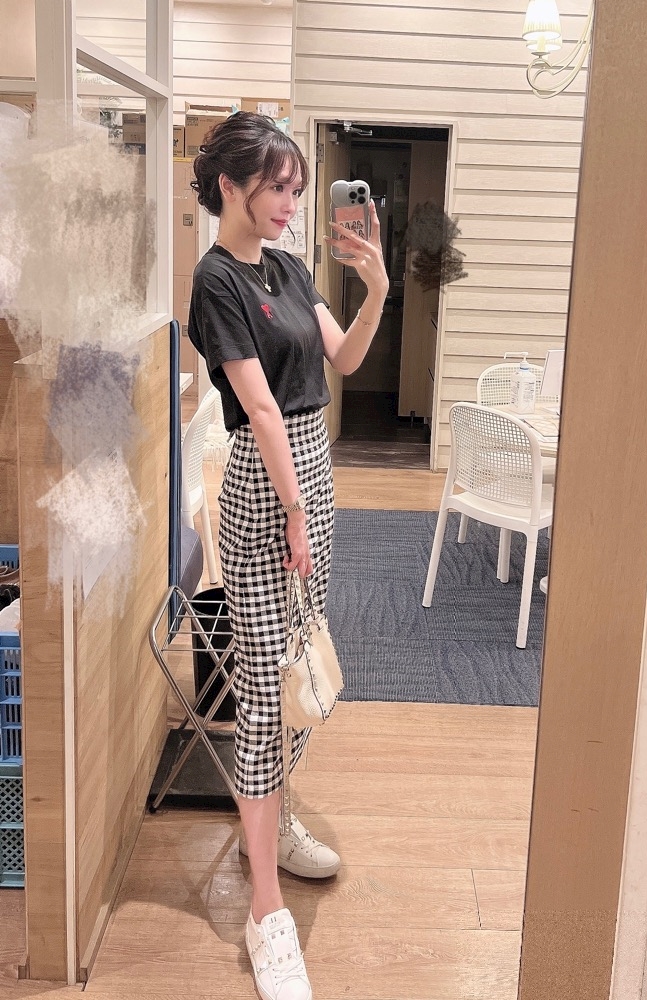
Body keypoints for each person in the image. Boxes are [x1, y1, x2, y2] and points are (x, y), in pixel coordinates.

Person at [187, 112, 388, 1000]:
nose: (289, 204)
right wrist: (295, 514)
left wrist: (376, 290)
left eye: (297, 190)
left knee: (299, 670)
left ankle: (270, 825)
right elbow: (262, 410)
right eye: (276, 187)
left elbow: (342, 359)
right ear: (230, 185)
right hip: (265, 494)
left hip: (312, 481)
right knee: (266, 695)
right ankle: (264, 909)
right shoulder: (216, 280)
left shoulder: (291, 267)